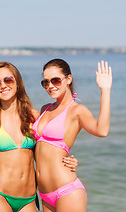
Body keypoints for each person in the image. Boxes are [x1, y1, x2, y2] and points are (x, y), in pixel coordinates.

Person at [0, 61, 78, 212]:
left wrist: (66, 161)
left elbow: (44, 152)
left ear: (17, 83)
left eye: (8, 80)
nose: (3, 85)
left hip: (29, 200)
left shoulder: (32, 115)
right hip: (0, 196)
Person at [32, 58, 112, 212]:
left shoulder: (77, 110)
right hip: (45, 194)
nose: (50, 86)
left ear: (68, 79)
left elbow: (102, 130)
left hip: (67, 191)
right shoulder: (44, 109)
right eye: (45, 82)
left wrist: (105, 90)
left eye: (55, 80)